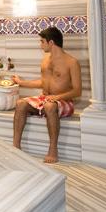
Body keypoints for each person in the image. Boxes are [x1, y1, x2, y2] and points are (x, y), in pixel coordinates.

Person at [12, 26, 82, 164]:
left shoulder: (72, 62)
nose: (40, 45)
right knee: (21, 104)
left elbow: (77, 91)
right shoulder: (45, 60)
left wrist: (57, 97)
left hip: (64, 101)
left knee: (50, 106)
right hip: (45, 99)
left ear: (51, 42)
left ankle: (53, 150)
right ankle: (16, 146)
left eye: (42, 41)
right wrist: (21, 82)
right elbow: (43, 83)